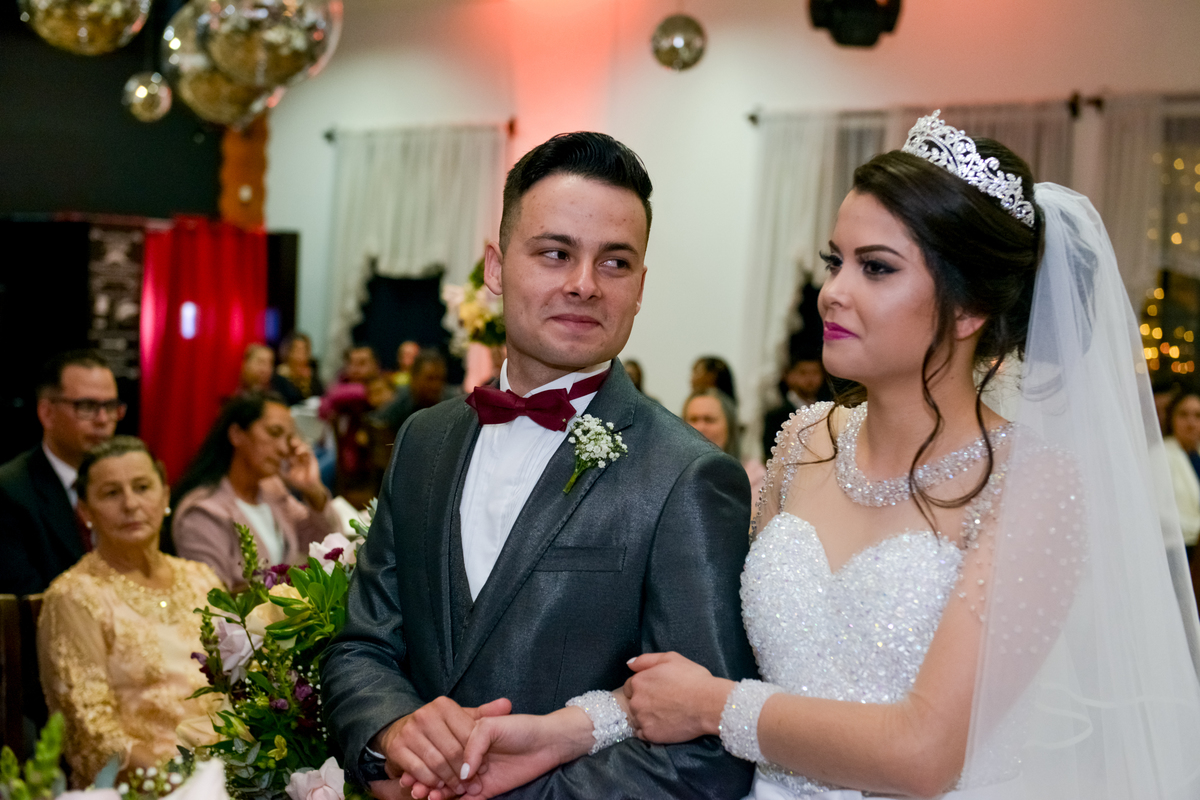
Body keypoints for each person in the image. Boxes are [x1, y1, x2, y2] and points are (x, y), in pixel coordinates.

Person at [605, 113, 1200, 799]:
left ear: (969, 308)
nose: (833, 292)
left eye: (877, 268)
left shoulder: (1032, 481)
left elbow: (924, 753)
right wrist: (570, 728)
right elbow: (718, 664)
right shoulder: (805, 441)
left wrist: (716, 707)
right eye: (835, 261)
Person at [322, 131, 757, 800]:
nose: (584, 285)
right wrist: (392, 733)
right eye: (556, 253)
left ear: (641, 287)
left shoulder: (686, 476)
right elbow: (362, 646)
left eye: (615, 263)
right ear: (495, 269)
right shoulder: (422, 441)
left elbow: (704, 749)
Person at [37, 437, 222, 787]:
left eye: (142, 487)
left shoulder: (202, 579)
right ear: (85, 511)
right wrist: (181, 783)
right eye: (111, 493)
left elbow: (240, 689)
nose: (131, 504)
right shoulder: (75, 596)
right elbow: (91, 731)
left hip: (229, 774)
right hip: (145, 785)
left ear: (165, 495)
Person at [171, 392, 340, 591]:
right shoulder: (203, 512)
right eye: (274, 433)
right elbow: (212, 595)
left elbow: (324, 544)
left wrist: (313, 489)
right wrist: (288, 586)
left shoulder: (271, 488)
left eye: (289, 439)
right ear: (237, 434)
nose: (283, 449)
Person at [0, 350, 125, 595]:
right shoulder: (11, 491)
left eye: (110, 406)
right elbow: (26, 600)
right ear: (47, 413)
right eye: (87, 406)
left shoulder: (126, 482)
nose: (102, 420)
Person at [684, 388, 765, 501]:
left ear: (730, 427)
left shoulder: (753, 474)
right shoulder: (671, 473)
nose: (700, 428)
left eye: (709, 420)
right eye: (693, 419)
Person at [1162, 390, 1200, 615]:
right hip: (1180, 554)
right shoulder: (1161, 455)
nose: (1191, 423)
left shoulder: (1197, 454)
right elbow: (1161, 514)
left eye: (1197, 416)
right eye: (1183, 414)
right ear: (1172, 418)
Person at [372, 348, 456, 436]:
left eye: (440, 379)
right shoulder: (401, 402)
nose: (436, 385)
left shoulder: (453, 403)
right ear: (414, 378)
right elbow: (376, 422)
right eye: (430, 379)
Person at [760, 349, 825, 459]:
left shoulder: (825, 411)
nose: (810, 379)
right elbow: (770, 455)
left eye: (815, 373)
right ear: (790, 376)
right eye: (803, 373)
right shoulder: (776, 415)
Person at [271, 332, 324, 406]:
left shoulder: (311, 372)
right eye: (297, 350)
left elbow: (320, 395)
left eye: (304, 350)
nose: (300, 355)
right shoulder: (281, 374)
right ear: (288, 351)